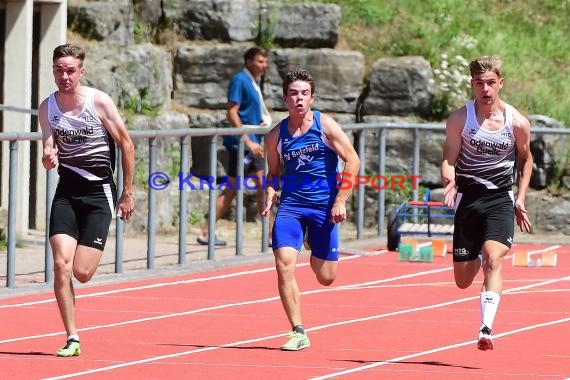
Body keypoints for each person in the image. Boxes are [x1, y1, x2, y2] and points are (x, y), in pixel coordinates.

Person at [39, 43, 135, 357]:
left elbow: (127, 145)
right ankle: (72, 337)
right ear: (53, 70)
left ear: (81, 71)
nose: (64, 76)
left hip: (98, 193)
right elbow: (48, 150)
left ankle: (87, 248)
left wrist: (127, 192)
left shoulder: (98, 102)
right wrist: (48, 158)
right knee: (60, 265)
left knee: (81, 272)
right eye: (59, 70)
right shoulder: (47, 107)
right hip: (66, 191)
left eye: (70, 70)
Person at [261, 69, 360, 351]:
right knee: (284, 265)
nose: (299, 98)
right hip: (291, 206)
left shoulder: (325, 125)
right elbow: (273, 173)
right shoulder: (275, 136)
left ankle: (312, 240)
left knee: (326, 277)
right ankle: (298, 330)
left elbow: (353, 161)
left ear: (312, 98)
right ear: (285, 98)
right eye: (294, 93)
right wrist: (270, 192)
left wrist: (341, 200)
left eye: (304, 93)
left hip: (323, 207)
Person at [441, 55, 533, 351]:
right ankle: (476, 255)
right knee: (463, 280)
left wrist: (520, 197)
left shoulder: (516, 122)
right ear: (473, 85)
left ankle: (485, 329)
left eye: (491, 83)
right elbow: (448, 158)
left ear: (500, 84)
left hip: (499, 199)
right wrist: (449, 179)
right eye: (480, 83)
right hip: (468, 199)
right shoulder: (460, 119)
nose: (486, 89)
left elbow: (526, 159)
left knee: (495, 259)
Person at [197, 46, 273, 246]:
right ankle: (206, 232)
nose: (264, 65)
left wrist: (262, 122)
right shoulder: (240, 80)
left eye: (265, 61)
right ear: (248, 62)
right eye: (260, 61)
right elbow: (232, 113)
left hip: (252, 144)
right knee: (236, 188)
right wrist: (247, 140)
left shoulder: (253, 83)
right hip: (242, 145)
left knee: (260, 185)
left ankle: (272, 234)